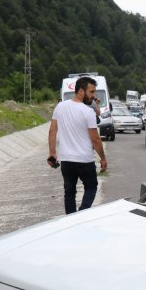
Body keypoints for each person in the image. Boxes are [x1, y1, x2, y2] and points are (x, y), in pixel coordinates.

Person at [48, 76, 107, 215]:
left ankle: (71, 220)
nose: (94, 96)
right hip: (84, 160)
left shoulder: (60, 107)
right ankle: (82, 214)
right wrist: (103, 158)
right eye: (91, 92)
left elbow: (52, 131)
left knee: (69, 192)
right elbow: (95, 139)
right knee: (91, 187)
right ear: (81, 91)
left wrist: (52, 153)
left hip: (66, 161)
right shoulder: (88, 112)